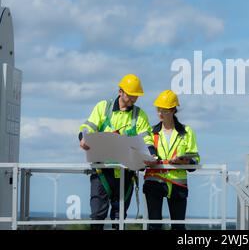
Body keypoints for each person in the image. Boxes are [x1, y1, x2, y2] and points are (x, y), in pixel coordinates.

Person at [78, 74, 153, 230]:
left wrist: (150, 154)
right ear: (120, 92)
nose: (133, 99)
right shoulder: (103, 107)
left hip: (126, 173)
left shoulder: (140, 115)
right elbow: (88, 128)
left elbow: (147, 140)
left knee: (119, 218)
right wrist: (83, 138)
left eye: (136, 96)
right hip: (102, 172)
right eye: (131, 95)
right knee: (97, 215)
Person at [143, 90, 200, 230]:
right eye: (158, 110)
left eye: (164, 110)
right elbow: (143, 155)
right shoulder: (151, 132)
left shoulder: (187, 132)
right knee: (154, 226)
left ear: (173, 110)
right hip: (154, 181)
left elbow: (194, 163)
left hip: (177, 184)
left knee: (179, 227)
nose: (160, 113)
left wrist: (185, 162)